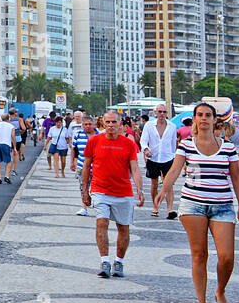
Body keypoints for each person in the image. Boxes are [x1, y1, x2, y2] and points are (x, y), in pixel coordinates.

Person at [155, 101, 239, 303]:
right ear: (194, 119)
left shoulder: (228, 148)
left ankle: (220, 291)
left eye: (208, 115)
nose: (204, 118)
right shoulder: (186, 145)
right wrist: (161, 192)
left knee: (226, 257)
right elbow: (175, 170)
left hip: (222, 205)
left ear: (215, 120)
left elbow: (236, 178)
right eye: (200, 115)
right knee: (199, 254)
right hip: (193, 204)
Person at [81, 112, 144, 279]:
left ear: (120, 124)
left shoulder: (128, 144)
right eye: (107, 122)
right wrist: (84, 191)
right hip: (100, 190)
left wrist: (139, 189)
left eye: (114, 122)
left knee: (123, 227)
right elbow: (86, 167)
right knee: (101, 222)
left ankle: (119, 261)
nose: (110, 125)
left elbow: (135, 168)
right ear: (102, 123)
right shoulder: (94, 141)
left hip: (123, 192)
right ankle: (104, 261)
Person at [140, 103, 177, 218]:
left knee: (168, 184)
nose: (162, 114)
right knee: (154, 184)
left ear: (167, 113)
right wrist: (146, 149)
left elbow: (173, 143)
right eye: (159, 111)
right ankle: (155, 207)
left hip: (168, 158)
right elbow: (143, 140)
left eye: (164, 112)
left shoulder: (172, 126)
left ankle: (170, 210)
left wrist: (174, 156)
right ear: (155, 112)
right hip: (153, 158)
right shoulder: (149, 125)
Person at [70, 115, 97, 215]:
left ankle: (97, 205)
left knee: (96, 187)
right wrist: (72, 162)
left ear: (94, 125)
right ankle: (84, 207)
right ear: (82, 125)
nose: (88, 126)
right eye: (86, 124)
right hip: (82, 165)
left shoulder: (99, 135)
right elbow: (74, 149)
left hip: (97, 166)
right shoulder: (78, 134)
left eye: (90, 124)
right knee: (83, 186)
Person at [0, 111, 17, 184]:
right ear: (8, 119)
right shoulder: (11, 126)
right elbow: (13, 137)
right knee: (8, 161)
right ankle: (6, 176)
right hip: (6, 144)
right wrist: (14, 147)